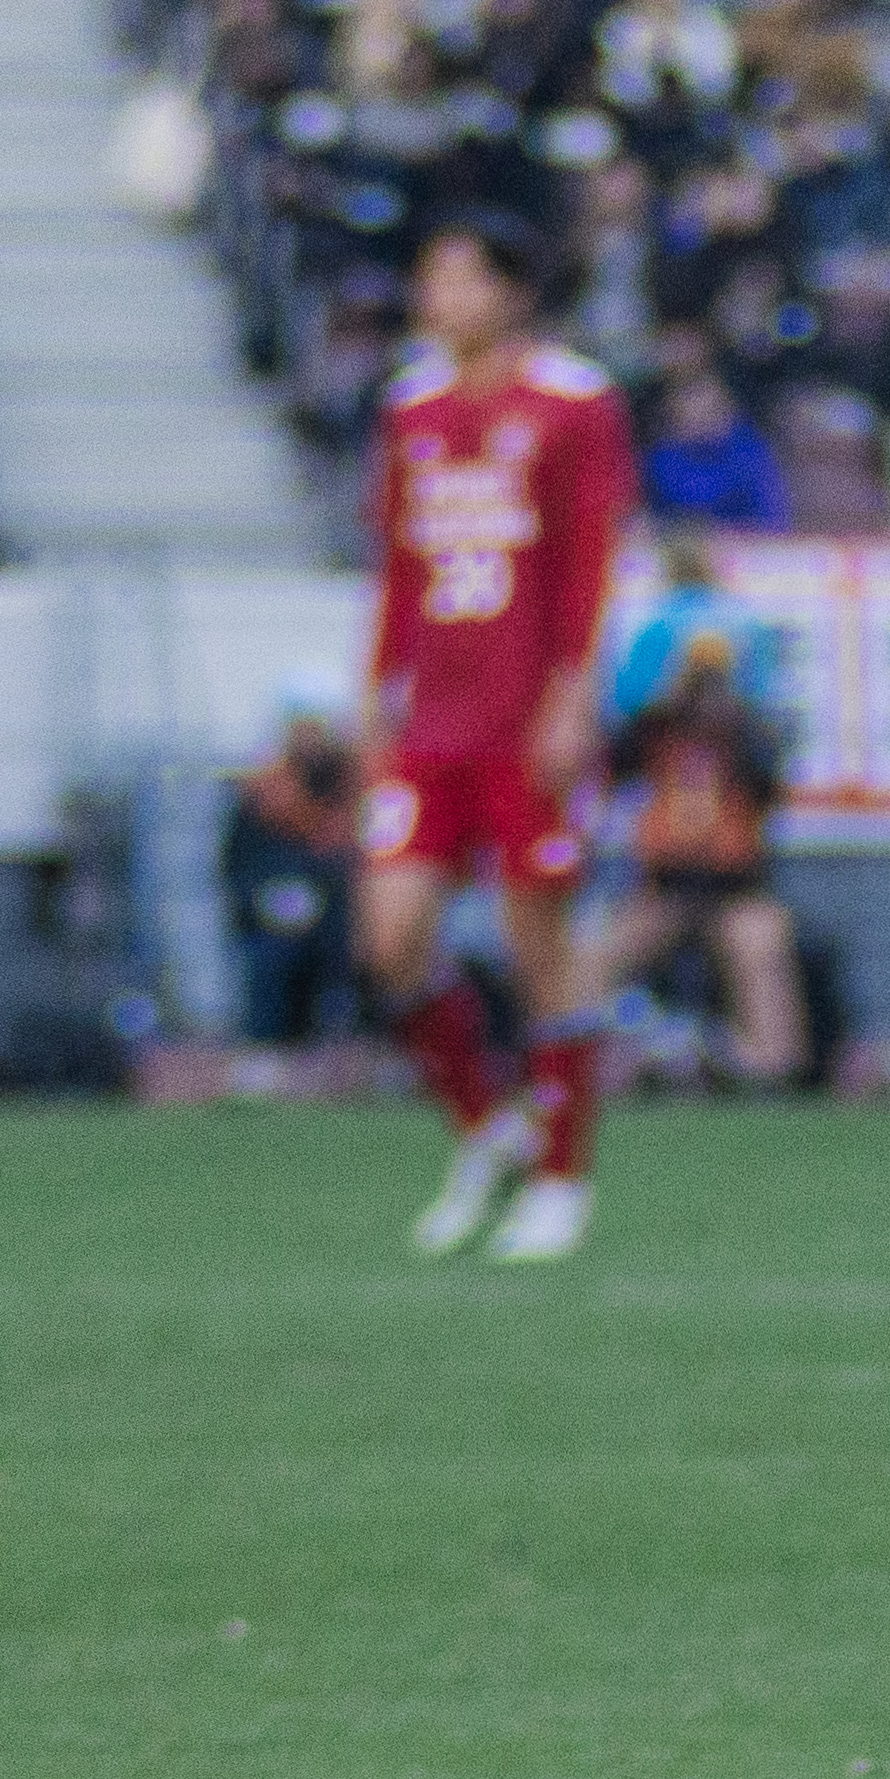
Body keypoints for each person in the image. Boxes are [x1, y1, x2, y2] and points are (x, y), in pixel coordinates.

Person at [353, 217, 643, 1265]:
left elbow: (587, 559)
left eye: (462, 276)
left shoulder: (574, 401)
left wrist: (573, 694)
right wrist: (373, 689)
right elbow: (397, 563)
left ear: (514, 291)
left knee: (539, 948)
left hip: (526, 717)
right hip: (431, 716)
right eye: (431, 276)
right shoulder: (411, 405)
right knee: (390, 937)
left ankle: (561, 1178)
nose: (439, 296)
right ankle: (488, 1128)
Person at [595, 616, 807, 1092]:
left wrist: (737, 726)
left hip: (734, 892)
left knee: (762, 944)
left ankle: (769, 1068)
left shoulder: (749, 734)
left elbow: (769, 784)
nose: (705, 692)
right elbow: (613, 763)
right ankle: (589, 1065)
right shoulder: (656, 732)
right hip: (662, 890)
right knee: (599, 951)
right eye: (698, 677)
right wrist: (662, 708)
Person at [218, 705, 369, 1074]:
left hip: (343, 912)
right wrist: (270, 900)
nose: (310, 740)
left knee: (370, 950)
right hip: (275, 917)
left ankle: (369, 1054)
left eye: (317, 729)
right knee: (272, 956)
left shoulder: (354, 788)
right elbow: (236, 869)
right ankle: (263, 1054)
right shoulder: (262, 795)